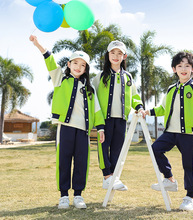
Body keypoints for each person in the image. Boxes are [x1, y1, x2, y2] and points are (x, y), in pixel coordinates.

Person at [29, 35, 105, 209]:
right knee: (64, 161)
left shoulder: (89, 89)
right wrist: (37, 43)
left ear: (86, 68)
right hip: (65, 128)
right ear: (69, 64)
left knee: (81, 163)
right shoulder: (60, 79)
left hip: (83, 131)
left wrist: (100, 128)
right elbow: (50, 60)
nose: (79, 67)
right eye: (75, 63)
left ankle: (78, 195)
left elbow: (97, 110)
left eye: (83, 64)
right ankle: (63, 195)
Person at [145, 52, 193, 211]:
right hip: (171, 132)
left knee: (189, 165)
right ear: (174, 69)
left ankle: (190, 197)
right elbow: (163, 108)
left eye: (187, 66)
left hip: (190, 134)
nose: (183, 69)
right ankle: (169, 179)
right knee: (155, 149)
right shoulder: (170, 89)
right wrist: (148, 112)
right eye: (180, 66)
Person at [93, 40, 146, 191]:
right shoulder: (100, 77)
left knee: (118, 149)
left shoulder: (128, 77)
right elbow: (92, 96)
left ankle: (114, 177)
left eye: (119, 53)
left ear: (124, 56)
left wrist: (139, 107)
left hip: (121, 119)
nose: (116, 56)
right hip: (104, 120)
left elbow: (134, 96)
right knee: (104, 148)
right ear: (107, 55)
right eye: (112, 53)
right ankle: (107, 176)